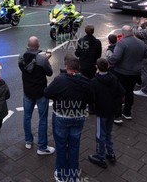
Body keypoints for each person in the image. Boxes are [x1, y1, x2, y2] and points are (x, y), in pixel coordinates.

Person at [44, 54, 91, 182]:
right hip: (78, 116)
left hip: (61, 117)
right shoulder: (86, 81)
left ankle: (61, 175)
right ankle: (73, 176)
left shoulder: (60, 80)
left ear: (66, 66)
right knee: (74, 146)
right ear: (78, 67)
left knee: (61, 146)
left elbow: (47, 93)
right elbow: (91, 98)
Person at [18, 36, 55, 155]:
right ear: (38, 47)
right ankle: (42, 147)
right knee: (43, 118)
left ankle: (28, 141)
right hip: (41, 93)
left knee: (27, 116)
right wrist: (47, 59)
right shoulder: (42, 60)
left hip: (27, 91)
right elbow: (49, 73)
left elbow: (24, 70)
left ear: (27, 46)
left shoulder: (21, 58)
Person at [88, 58, 125, 169]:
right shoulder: (114, 78)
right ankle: (110, 152)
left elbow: (91, 98)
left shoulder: (94, 81)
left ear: (97, 67)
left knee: (100, 135)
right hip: (112, 110)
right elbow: (122, 93)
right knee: (108, 133)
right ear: (108, 66)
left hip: (101, 111)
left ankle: (100, 156)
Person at [108, 25, 147, 120]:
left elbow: (115, 58)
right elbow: (146, 55)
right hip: (135, 72)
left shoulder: (122, 43)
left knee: (119, 93)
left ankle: (117, 116)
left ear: (123, 33)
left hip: (122, 72)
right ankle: (127, 112)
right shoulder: (141, 42)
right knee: (130, 92)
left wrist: (109, 59)